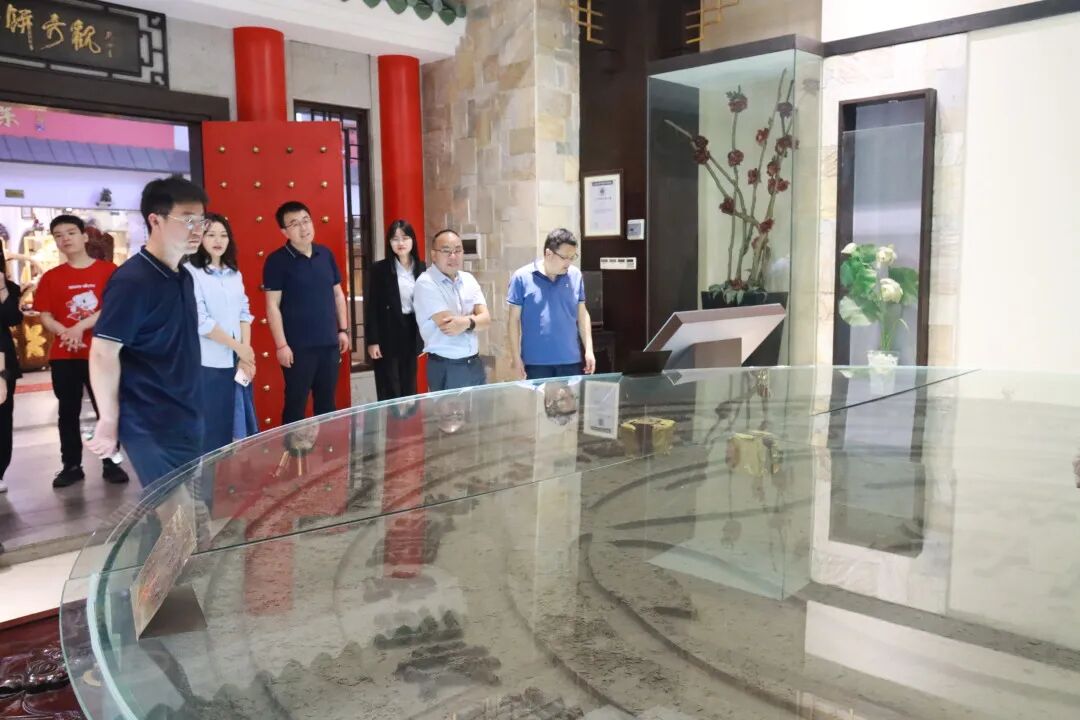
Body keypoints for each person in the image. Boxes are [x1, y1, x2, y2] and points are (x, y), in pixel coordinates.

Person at [87, 175, 208, 488]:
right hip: (149, 421)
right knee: (175, 510)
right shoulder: (133, 281)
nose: (198, 230)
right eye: (188, 220)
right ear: (155, 220)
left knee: (192, 509)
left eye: (202, 221)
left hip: (186, 413)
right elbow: (103, 352)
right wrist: (108, 419)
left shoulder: (183, 276)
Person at [35, 215, 128, 487]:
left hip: (101, 353)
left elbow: (112, 307)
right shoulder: (51, 277)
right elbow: (45, 315)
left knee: (106, 408)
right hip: (64, 356)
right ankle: (71, 465)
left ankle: (111, 462)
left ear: (84, 236)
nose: (65, 238)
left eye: (71, 232)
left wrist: (78, 328)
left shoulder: (108, 271)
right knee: (68, 412)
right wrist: (67, 332)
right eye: (58, 235)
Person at [263, 201, 349, 425]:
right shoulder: (276, 261)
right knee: (295, 405)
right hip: (297, 349)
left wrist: (343, 330)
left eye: (306, 221)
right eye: (294, 224)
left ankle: (328, 448)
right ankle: (292, 448)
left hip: (329, 344)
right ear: (284, 231)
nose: (303, 228)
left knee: (327, 405)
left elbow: (338, 295)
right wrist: (281, 345)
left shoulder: (325, 254)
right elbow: (272, 306)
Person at [184, 213, 258, 454]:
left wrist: (245, 354)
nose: (218, 240)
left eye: (223, 235)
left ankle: (232, 476)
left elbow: (244, 313)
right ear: (199, 238)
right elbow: (201, 322)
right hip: (209, 363)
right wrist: (239, 348)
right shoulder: (190, 272)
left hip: (237, 361)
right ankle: (207, 478)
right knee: (212, 431)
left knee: (238, 425)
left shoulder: (234, 273)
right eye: (211, 235)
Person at [507, 228, 596, 380]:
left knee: (573, 397)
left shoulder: (575, 275)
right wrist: (516, 357)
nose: (569, 262)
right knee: (536, 397)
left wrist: (589, 350)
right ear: (548, 253)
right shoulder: (521, 277)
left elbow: (582, 314)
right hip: (535, 363)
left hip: (570, 360)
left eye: (572, 257)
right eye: (564, 257)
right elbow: (513, 320)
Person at [412, 229, 490, 392]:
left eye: (458, 250)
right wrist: (473, 319)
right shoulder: (426, 283)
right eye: (446, 251)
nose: (453, 256)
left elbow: (486, 320)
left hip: (474, 363)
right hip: (446, 366)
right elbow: (449, 326)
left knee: (480, 409)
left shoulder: (468, 279)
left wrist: (465, 322)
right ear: (434, 255)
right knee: (448, 410)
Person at [365, 219, 426, 400]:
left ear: (412, 240)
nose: (400, 243)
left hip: (411, 330)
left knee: (410, 385)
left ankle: (409, 418)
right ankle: (391, 418)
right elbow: (372, 307)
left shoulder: (422, 268)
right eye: (395, 239)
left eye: (405, 238)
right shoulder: (379, 269)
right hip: (387, 332)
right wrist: (373, 341)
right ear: (389, 242)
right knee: (389, 385)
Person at [0, 241, 24, 495]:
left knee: (2, 417)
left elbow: (12, 318)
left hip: (1, 360)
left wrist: (1, 288)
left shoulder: (10, 288)